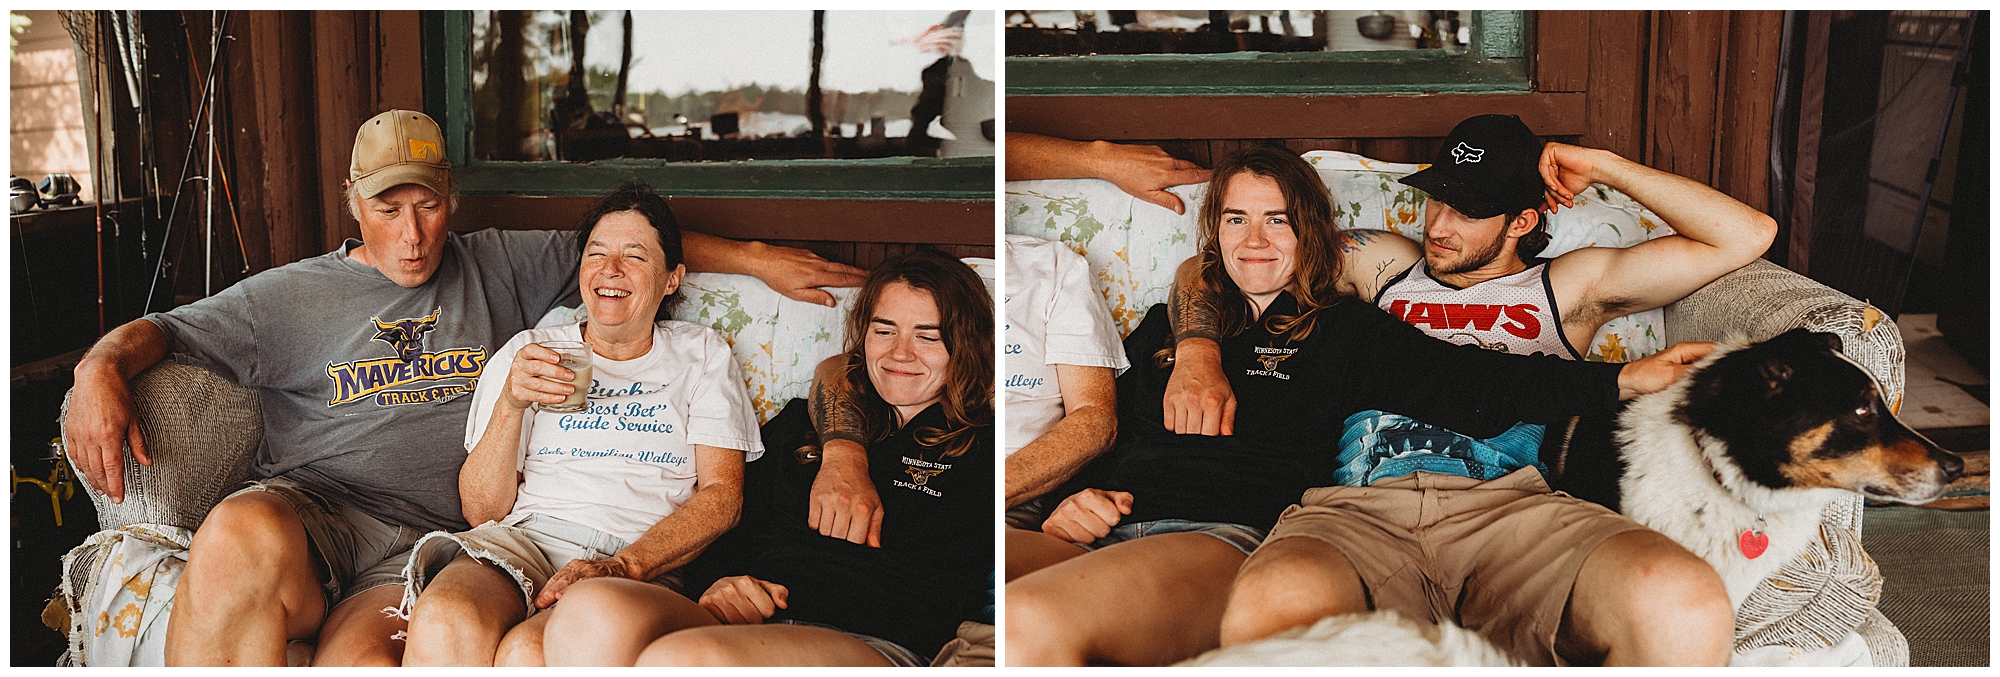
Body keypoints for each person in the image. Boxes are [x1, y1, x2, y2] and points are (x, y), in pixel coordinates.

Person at [59, 109, 865, 666]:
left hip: (429, 547)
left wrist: (760, 257)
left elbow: (624, 250)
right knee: (236, 531)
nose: (412, 234)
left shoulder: (500, 265)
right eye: (388, 207)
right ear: (355, 203)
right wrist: (99, 367)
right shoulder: (292, 297)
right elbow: (170, 329)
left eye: (429, 205)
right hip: (320, 518)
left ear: (452, 201)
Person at [1003, 146, 1712, 666]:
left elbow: (1476, 382)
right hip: (1105, 520)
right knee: (941, 556)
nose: (1254, 241)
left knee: (1026, 620)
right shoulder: (1171, 323)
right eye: (1236, 220)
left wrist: (1620, 379)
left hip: (1213, 532)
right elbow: (1099, 423)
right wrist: (1064, 499)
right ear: (1212, 230)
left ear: (1311, 232)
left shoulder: (1345, 327)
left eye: (1277, 221)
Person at [1165, 116, 1765, 665]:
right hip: (1357, 507)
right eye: (1437, 200)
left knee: (1682, 599)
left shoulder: (1570, 287)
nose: (1439, 227)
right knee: (1269, 608)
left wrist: (1605, 166)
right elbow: (1224, 259)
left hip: (1513, 506)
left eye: (1469, 211)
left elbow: (1744, 237)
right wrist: (1197, 350)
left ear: (1522, 221)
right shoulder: (1381, 263)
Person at [522, 249, 992, 666]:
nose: (900, 353)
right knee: (592, 605)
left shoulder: (980, 444)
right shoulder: (801, 424)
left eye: (928, 337)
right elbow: (731, 519)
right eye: (883, 330)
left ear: (964, 344)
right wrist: (724, 582)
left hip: (866, 636)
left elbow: (955, 585)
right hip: (739, 618)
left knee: (684, 658)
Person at [391, 181, 762, 666]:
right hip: (522, 539)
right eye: (597, 253)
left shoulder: (701, 355)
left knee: (529, 651)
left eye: (635, 256)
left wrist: (623, 565)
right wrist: (511, 403)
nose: (611, 270)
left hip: (637, 560)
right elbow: (482, 510)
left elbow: (722, 499)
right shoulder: (533, 350)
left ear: (672, 278)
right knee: (445, 616)